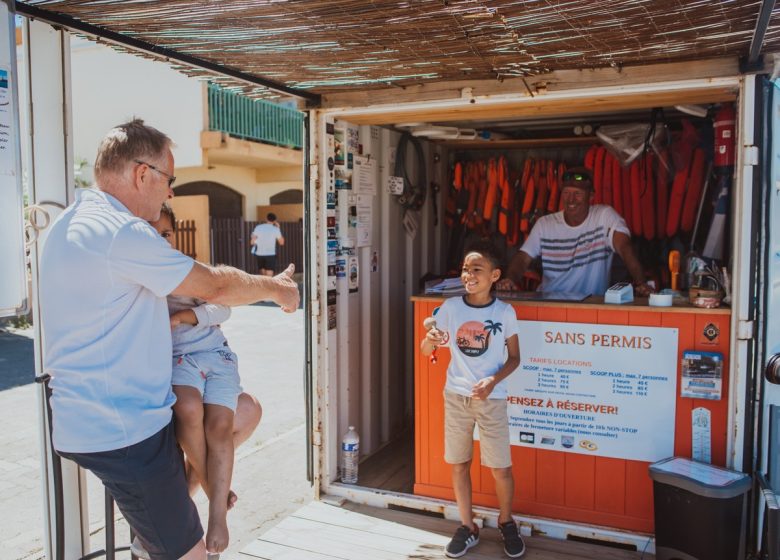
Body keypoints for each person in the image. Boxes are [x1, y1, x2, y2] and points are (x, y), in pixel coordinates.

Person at [39, 119, 299, 560]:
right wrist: (276, 289)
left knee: (242, 413)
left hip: (95, 418)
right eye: (170, 180)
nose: (171, 193)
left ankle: (168, 515)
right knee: (190, 554)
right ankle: (162, 530)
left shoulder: (70, 222)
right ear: (143, 174)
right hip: (125, 430)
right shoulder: (123, 231)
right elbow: (214, 286)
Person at [420, 241, 525, 559]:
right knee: (458, 464)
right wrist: (429, 339)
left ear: (495, 275)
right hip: (456, 397)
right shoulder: (451, 308)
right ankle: (468, 526)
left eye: (476, 269)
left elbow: (516, 358)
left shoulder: (504, 312)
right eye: (465, 269)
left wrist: (493, 381)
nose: (468, 274)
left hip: (492, 399)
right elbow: (428, 351)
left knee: (501, 469)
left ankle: (506, 521)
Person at [149, 203, 240, 556]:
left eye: (166, 234)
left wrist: (184, 316)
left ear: (175, 236)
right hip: (180, 361)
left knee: (220, 425)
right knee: (187, 407)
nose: (161, 240)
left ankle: (217, 515)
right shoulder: (139, 275)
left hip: (217, 356)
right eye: (152, 233)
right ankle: (210, 485)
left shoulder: (186, 272)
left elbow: (225, 307)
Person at [498, 167, 653, 297]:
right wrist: (510, 279)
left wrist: (641, 283)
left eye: (577, 193)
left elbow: (624, 248)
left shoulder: (604, 216)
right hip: (550, 303)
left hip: (591, 305)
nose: (571, 200)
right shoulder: (545, 224)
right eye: (566, 193)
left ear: (591, 196)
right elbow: (523, 257)